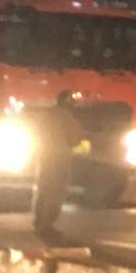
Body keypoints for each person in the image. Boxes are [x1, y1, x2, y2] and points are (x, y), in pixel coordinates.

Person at [32, 90, 81, 243]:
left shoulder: (46, 115)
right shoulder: (66, 117)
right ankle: (47, 226)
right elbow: (75, 138)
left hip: (44, 157)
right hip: (60, 159)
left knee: (43, 189)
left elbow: (36, 133)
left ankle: (39, 222)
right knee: (56, 192)